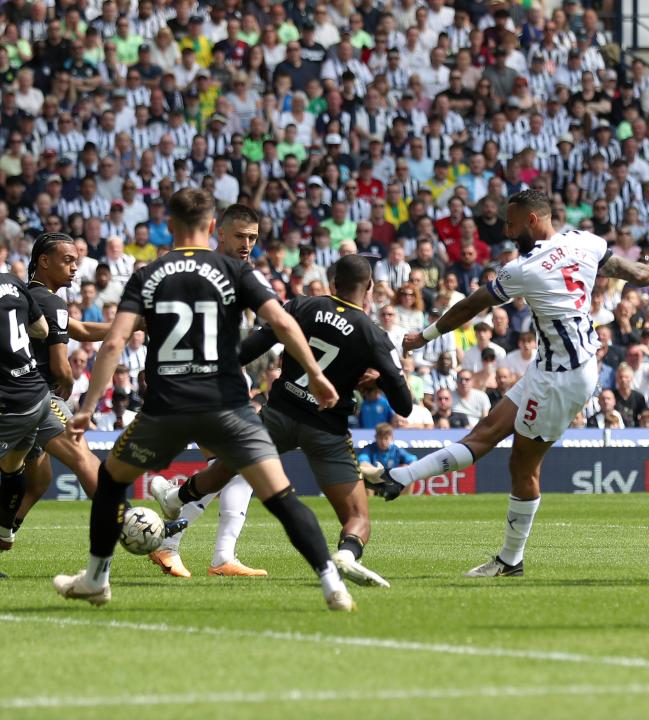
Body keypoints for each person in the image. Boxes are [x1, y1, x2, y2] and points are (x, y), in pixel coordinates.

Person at [51, 189, 355, 612]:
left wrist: (86, 407)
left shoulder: (149, 273)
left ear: (170, 226)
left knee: (111, 482)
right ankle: (331, 584)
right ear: (213, 227)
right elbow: (283, 323)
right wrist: (317, 375)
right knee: (281, 496)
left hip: (165, 409)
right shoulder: (234, 270)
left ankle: (97, 578)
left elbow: (116, 341)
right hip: (227, 407)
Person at [366, 189, 649, 577]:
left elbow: (472, 305)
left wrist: (422, 337)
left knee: (522, 465)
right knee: (487, 431)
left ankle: (511, 560)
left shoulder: (524, 267)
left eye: (512, 224)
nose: (508, 233)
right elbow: (631, 272)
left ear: (531, 218)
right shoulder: (585, 241)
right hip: (553, 366)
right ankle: (400, 477)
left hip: (562, 379)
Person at [153, 252, 411, 588]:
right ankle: (346, 554)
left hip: (279, 415)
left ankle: (177, 499)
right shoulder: (373, 334)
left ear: (333, 283)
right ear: (371, 288)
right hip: (326, 428)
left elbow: (248, 350)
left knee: (229, 466)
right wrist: (379, 379)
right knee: (358, 517)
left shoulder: (301, 306)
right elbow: (404, 405)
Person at [147, 204, 276, 578]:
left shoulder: (239, 274)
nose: (247, 244)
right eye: (240, 236)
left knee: (236, 469)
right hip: (194, 386)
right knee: (241, 464)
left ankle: (207, 552)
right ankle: (177, 537)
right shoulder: (197, 270)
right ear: (219, 231)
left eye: (253, 237)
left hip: (221, 387)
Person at [13, 234, 111, 535]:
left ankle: (6, 529)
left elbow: (79, 329)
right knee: (82, 456)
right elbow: (60, 366)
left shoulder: (29, 297)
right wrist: (67, 381)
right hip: (38, 397)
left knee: (38, 480)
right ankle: (130, 524)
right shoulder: (52, 301)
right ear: (44, 261)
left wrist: (131, 324)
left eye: (76, 262)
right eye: (67, 260)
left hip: (18, 398)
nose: (74, 268)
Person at [0, 272, 51, 561]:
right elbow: (42, 330)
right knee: (12, 465)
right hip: (37, 393)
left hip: (12, 403)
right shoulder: (14, 281)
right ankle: (5, 531)